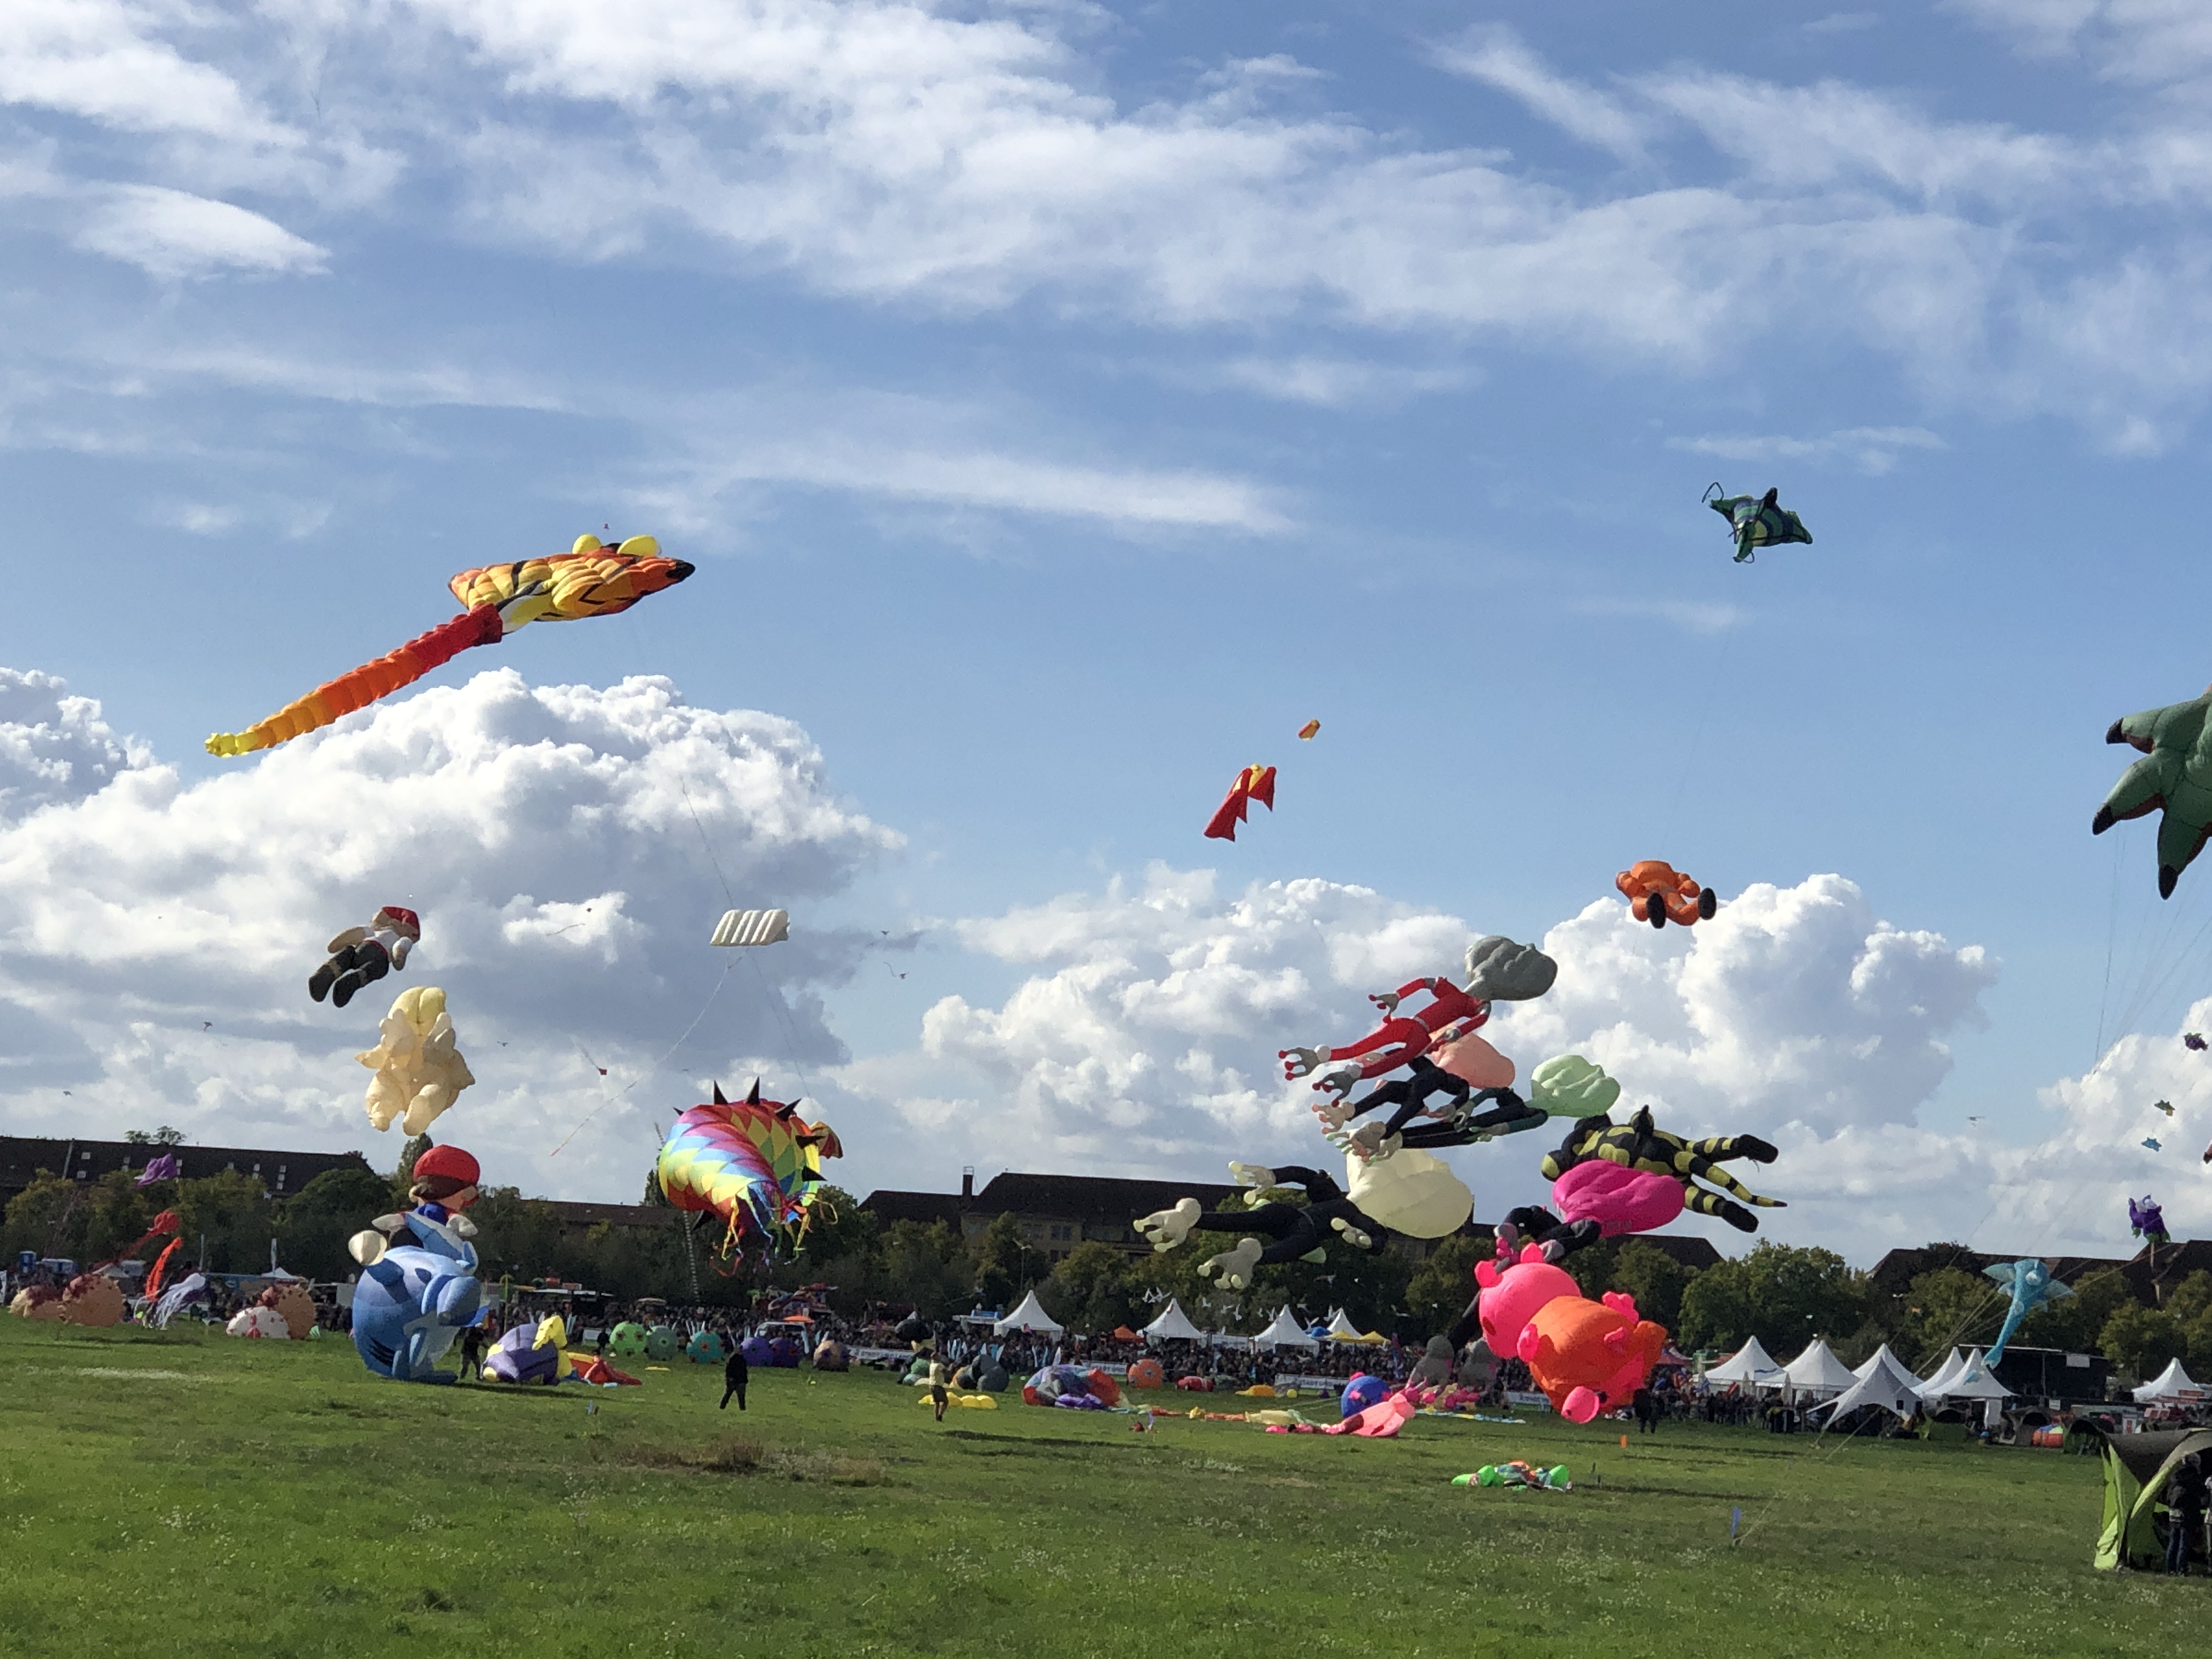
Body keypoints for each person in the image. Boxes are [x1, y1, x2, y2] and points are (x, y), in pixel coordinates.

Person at [2166, 1454, 2205, 1575]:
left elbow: (2168, 1494)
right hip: (2187, 1511)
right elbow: (2201, 1491)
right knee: (2184, 1542)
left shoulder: (2175, 1476)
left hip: (2174, 1511)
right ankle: (2182, 1569)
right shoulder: (2193, 1476)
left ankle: (2170, 1569)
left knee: (2173, 1541)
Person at [720, 1342, 749, 1412]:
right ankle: (722, 1406)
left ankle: (742, 1408)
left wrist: (745, 1379)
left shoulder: (742, 1359)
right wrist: (729, 1377)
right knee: (728, 1394)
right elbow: (729, 1369)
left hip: (740, 1380)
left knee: (741, 1396)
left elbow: (744, 1370)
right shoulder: (733, 1359)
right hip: (733, 1380)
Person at [928, 1351, 950, 1423]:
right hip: (938, 1386)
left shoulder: (932, 1365)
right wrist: (951, 1367)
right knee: (946, 1402)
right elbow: (947, 1372)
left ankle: (936, 1417)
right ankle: (940, 1416)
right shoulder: (939, 1365)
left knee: (937, 1403)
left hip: (931, 1385)